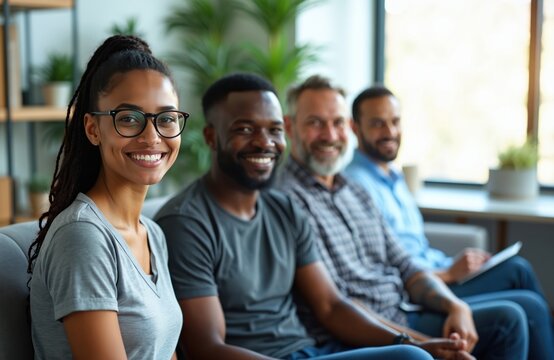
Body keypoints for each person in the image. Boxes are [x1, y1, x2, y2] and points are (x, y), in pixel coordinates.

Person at [154, 72, 465, 360]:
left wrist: (410, 342)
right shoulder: (187, 223)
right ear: (211, 137)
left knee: (417, 354)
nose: (264, 142)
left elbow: (331, 306)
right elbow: (206, 348)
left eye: (274, 130)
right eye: (245, 129)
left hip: (314, 351)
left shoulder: (283, 209)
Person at [277, 74, 531, 359]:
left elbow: (406, 265)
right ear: (289, 126)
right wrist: (419, 343)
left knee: (514, 313)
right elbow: (338, 305)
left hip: (402, 311)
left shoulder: (354, 190)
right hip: (367, 332)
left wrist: (454, 306)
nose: (330, 135)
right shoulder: (287, 200)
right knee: (508, 321)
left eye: (336, 123)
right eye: (315, 123)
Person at [345, 85, 554, 358]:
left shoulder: (392, 177)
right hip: (418, 294)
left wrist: (451, 264)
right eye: (377, 124)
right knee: (529, 305)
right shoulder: (357, 187)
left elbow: (414, 249)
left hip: (436, 274)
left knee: (517, 269)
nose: (390, 131)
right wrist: (449, 274)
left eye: (395, 122)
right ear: (354, 127)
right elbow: (382, 273)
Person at [28, 35, 186, 359]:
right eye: (129, 118)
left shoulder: (152, 234)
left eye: (167, 118)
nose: (152, 136)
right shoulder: (83, 237)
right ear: (92, 129)